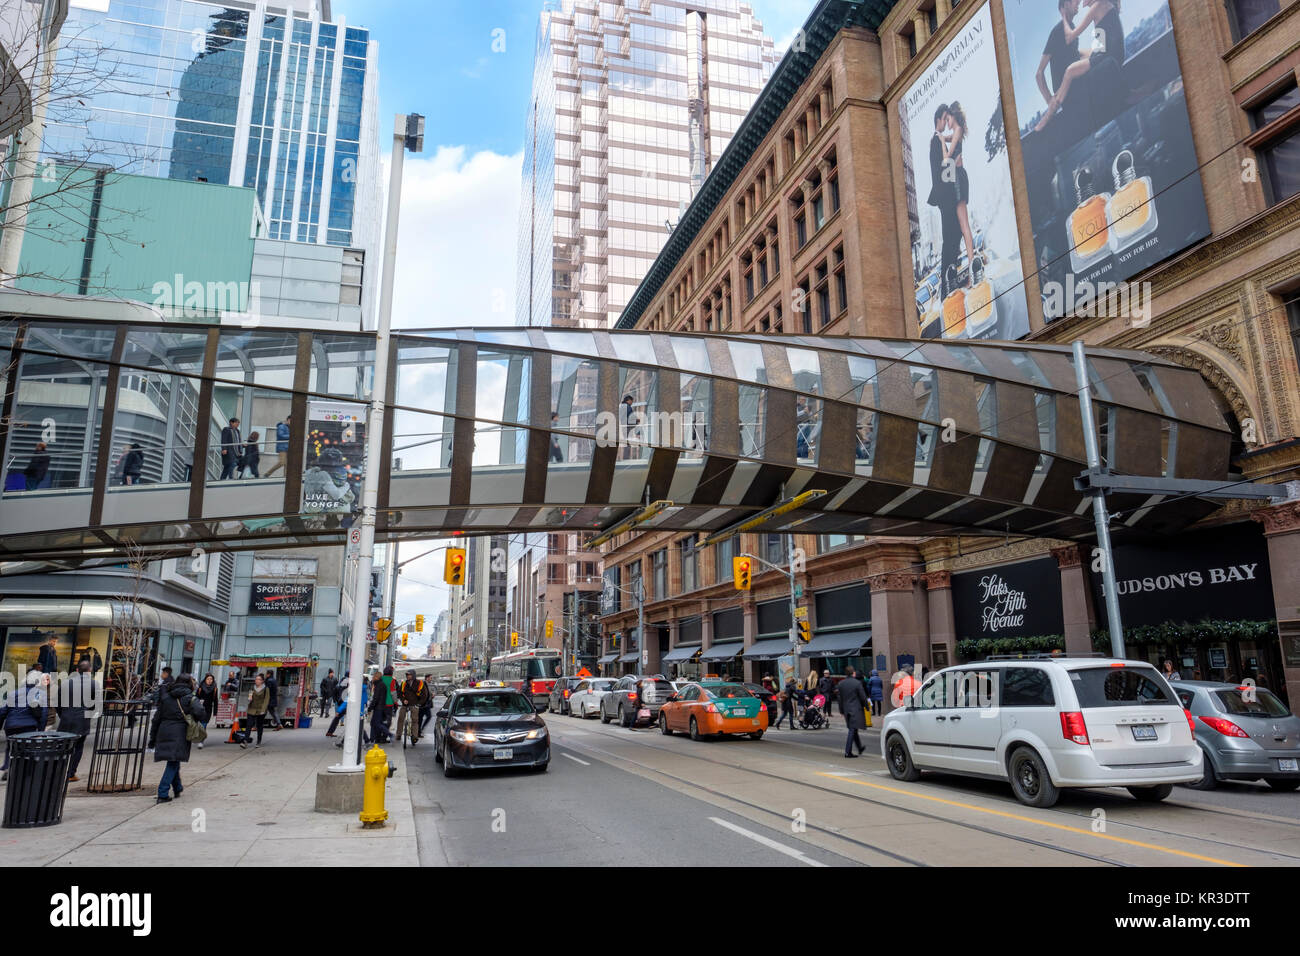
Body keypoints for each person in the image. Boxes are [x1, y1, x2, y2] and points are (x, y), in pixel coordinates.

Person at [1035, 0, 1124, 132]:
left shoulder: (1071, 26)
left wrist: (1097, 52)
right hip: (1071, 93)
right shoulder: (1058, 31)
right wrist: (1051, 103)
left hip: (1078, 86)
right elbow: (1039, 73)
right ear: (1065, 5)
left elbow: (1075, 55)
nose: (1078, 1)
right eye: (1074, 0)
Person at [148, 673, 205, 803]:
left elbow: (156, 718)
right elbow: (201, 713)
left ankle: (177, 787)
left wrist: (152, 738)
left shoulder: (166, 697)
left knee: (174, 760)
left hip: (164, 730)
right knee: (173, 762)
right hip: (180, 732)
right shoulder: (191, 698)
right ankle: (162, 793)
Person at [926, 103, 962, 301]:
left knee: (953, 236)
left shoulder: (937, 139)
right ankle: (948, 286)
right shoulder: (935, 140)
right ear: (940, 117)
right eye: (946, 117)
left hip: (945, 195)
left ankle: (950, 281)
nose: (947, 122)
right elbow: (943, 168)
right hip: (946, 196)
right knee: (951, 237)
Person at [941, 103, 975, 283]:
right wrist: (941, 137)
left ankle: (972, 265)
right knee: (960, 225)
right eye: (944, 119)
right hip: (955, 179)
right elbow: (947, 137)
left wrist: (942, 144)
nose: (946, 121)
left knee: (964, 224)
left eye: (947, 118)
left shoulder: (959, 129)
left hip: (959, 179)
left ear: (953, 116)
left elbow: (948, 155)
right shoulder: (954, 132)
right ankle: (970, 263)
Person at [1, 670, 50, 779]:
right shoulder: (40, 694)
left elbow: (3, 711)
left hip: (11, 726)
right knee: (27, 748)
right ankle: (23, 772)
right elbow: (44, 714)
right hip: (29, 726)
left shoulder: (13, 693)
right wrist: (41, 731)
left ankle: (8, 768)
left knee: (11, 747)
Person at [57, 660, 98, 782]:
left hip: (66, 719)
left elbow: (57, 702)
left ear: (76, 670)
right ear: (89, 671)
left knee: (62, 747)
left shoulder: (65, 683)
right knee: (78, 747)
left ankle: (59, 772)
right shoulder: (93, 684)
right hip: (82, 721)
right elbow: (94, 704)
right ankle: (70, 773)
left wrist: (63, 714)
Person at [838, 666, 870, 758]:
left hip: (846, 710)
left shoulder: (841, 683)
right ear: (853, 673)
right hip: (855, 709)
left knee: (853, 729)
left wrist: (841, 710)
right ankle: (848, 752)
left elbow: (839, 699)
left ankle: (859, 748)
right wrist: (867, 707)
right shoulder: (857, 683)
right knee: (852, 729)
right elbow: (863, 696)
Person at [393, 670, 423, 744]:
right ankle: (399, 734)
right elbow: (399, 693)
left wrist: (419, 703)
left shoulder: (419, 683)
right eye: (407, 675)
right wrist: (403, 700)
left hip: (414, 704)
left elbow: (423, 695)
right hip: (405, 704)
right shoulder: (403, 683)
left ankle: (414, 736)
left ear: (413, 675)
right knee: (401, 718)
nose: (408, 676)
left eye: (409, 675)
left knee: (415, 720)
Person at [242, 673, 269, 749]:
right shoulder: (252, 688)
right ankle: (245, 741)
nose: (257, 681)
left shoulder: (266, 689)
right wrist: (249, 699)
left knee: (259, 726)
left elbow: (266, 700)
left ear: (262, 681)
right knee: (249, 725)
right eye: (256, 679)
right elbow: (250, 696)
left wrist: (263, 710)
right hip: (252, 708)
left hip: (260, 709)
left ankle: (258, 741)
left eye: (259, 679)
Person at [195, 674, 219, 748]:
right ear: (205, 680)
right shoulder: (200, 687)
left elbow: (215, 701)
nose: (209, 680)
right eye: (208, 679)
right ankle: (199, 737)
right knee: (199, 725)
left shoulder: (214, 689)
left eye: (211, 679)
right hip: (199, 708)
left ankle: (201, 741)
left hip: (208, 709)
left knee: (204, 724)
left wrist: (215, 712)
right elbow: (196, 698)